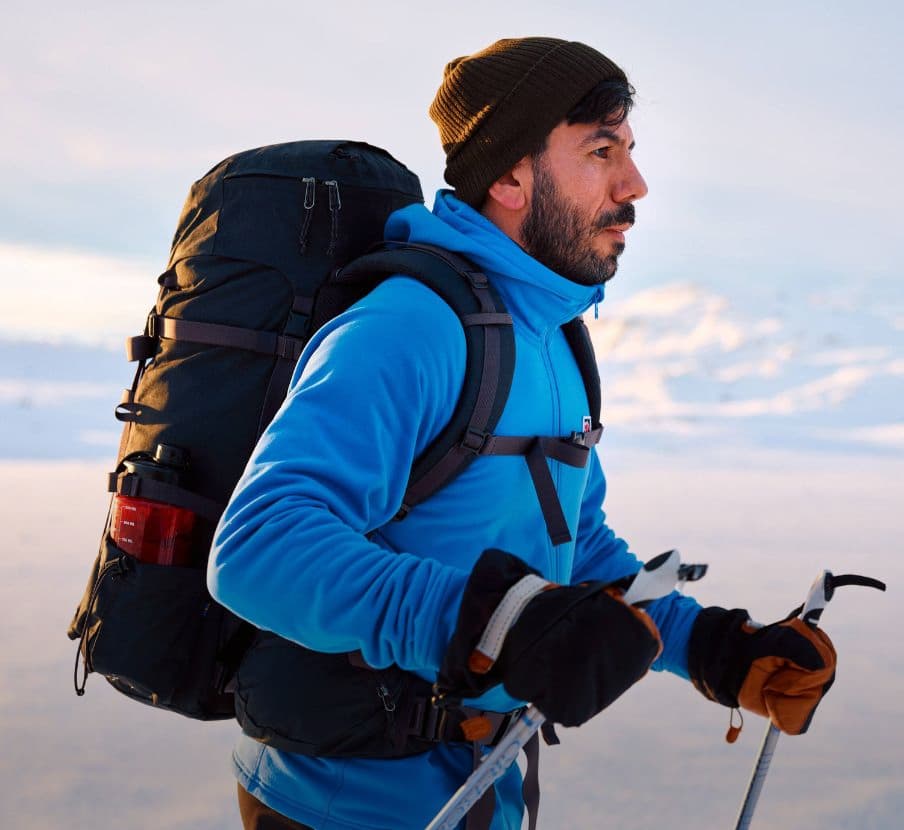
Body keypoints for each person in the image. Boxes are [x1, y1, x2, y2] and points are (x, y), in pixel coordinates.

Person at [208, 37, 837, 830]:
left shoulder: (553, 340)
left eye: (630, 151)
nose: (635, 185)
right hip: (344, 802)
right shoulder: (409, 327)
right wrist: (492, 621)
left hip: (483, 787)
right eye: (601, 151)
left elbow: (577, 549)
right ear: (509, 175)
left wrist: (712, 647)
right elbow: (259, 548)